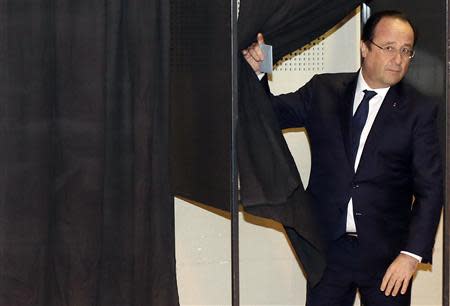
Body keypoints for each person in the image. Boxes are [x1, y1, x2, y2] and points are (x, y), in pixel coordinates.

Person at [242, 10, 443, 306]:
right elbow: (269, 116)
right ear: (364, 47)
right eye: (389, 48)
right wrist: (258, 74)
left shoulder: (419, 110)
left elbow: (431, 189)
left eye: (406, 51)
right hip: (328, 251)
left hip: (388, 259)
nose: (398, 59)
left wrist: (411, 256)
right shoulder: (323, 90)